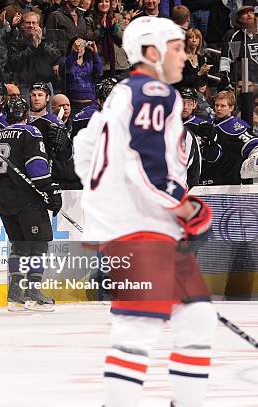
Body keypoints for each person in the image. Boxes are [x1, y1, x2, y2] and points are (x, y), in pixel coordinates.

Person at [73, 17, 217, 407]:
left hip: (142, 225)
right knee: (137, 329)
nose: (186, 56)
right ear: (152, 53)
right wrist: (186, 208)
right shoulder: (154, 91)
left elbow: (85, 155)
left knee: (197, 318)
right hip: (141, 229)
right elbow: (149, 164)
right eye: (176, 48)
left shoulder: (120, 97)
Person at [0, 97, 61, 312]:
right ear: (26, 115)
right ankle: (32, 292)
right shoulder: (30, 132)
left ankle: (15, 294)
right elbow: (37, 169)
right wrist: (50, 189)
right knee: (38, 244)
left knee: (19, 245)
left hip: (4, 200)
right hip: (26, 199)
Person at [199, 91, 255, 186]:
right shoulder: (211, 123)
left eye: (223, 106)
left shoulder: (235, 125)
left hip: (227, 182)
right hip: (208, 178)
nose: (218, 109)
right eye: (217, 105)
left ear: (231, 108)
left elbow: (252, 144)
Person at [27, 82, 72, 185]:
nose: (36, 98)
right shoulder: (22, 119)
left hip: (46, 175)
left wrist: (63, 145)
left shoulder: (54, 121)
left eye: (40, 95)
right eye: (34, 95)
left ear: (47, 98)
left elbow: (66, 156)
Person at [179, 87, 220, 188]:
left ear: (195, 105)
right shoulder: (165, 125)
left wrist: (210, 143)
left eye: (189, 103)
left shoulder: (204, 126)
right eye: (182, 102)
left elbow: (213, 157)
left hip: (194, 182)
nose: (185, 106)